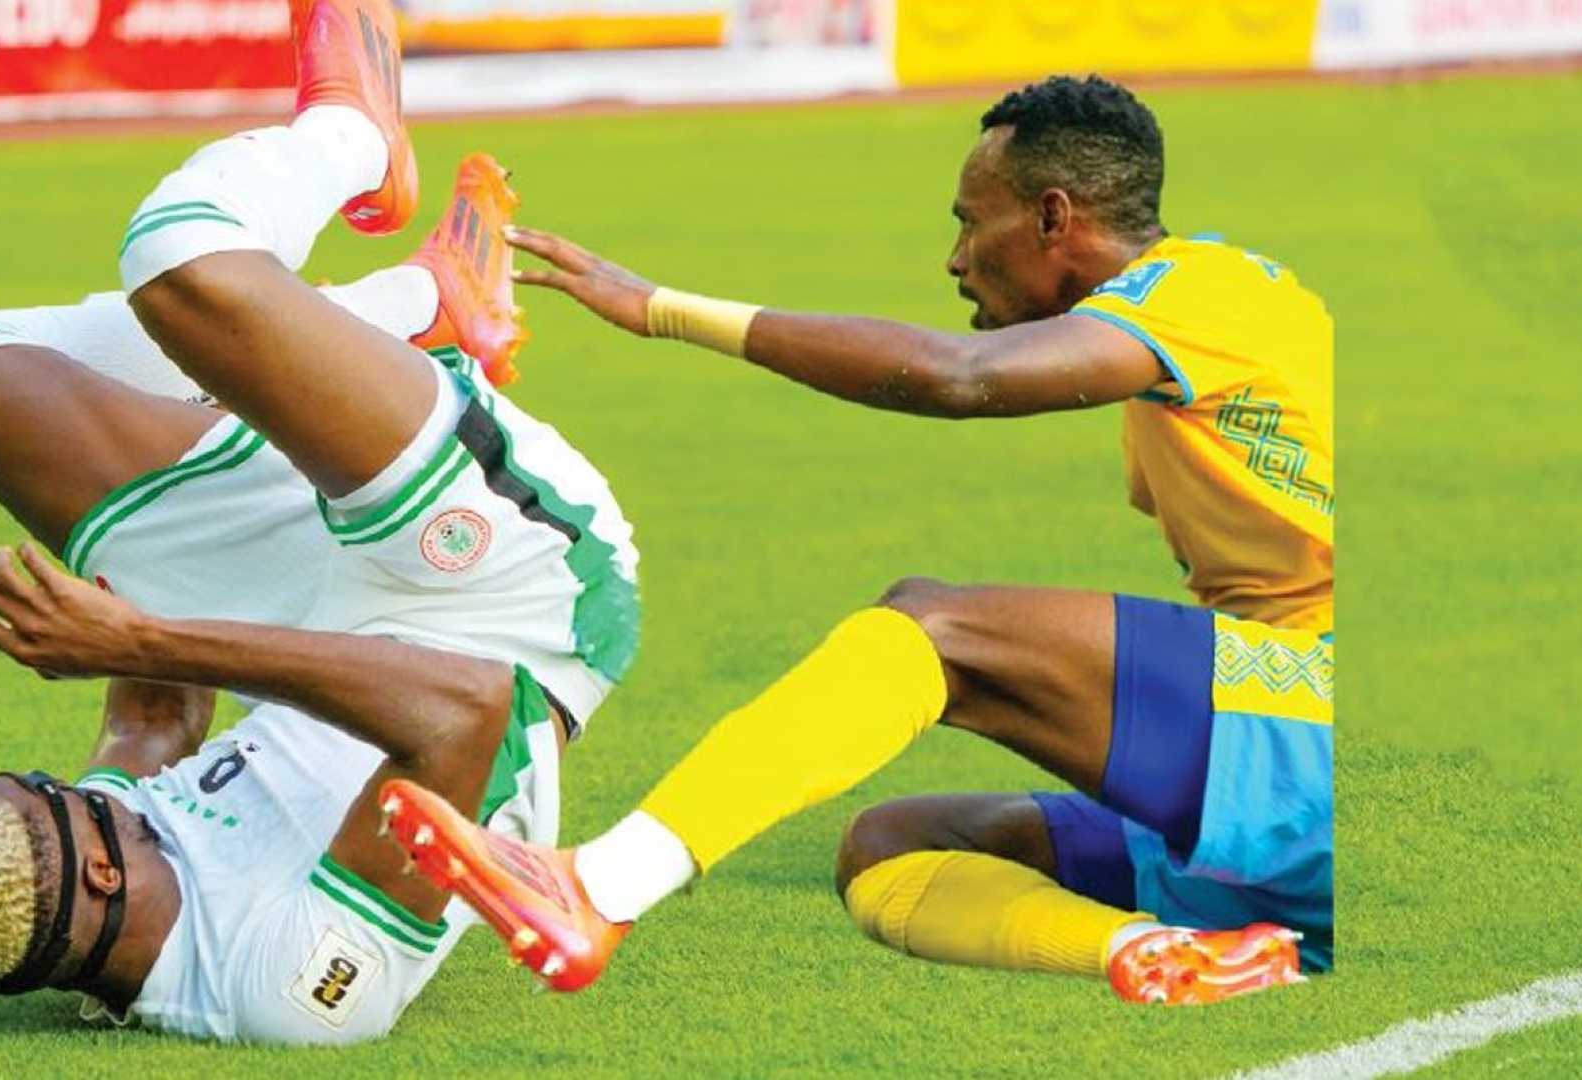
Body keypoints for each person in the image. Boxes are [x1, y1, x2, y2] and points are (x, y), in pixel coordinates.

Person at [379, 74, 1332, 1006]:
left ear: (1053, 217)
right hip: (1279, 791)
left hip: (1316, 736)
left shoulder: (1205, 291)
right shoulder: (1192, 322)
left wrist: (664, 309)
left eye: (971, 222)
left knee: (935, 629)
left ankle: (598, 886)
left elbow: (957, 375)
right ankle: (1165, 954)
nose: (956, 259)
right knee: (890, 846)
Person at [0, 0, 638, 1042]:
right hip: (515, 601)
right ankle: (352, 140)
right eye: (58, 793)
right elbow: (468, 710)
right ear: (101, 872)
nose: (80, 784)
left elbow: (156, 721)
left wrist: (98, 592)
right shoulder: (289, 988)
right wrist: (137, 636)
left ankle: (411, 308)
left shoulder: (102, 873)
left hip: (325, 612)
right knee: (182, 261)